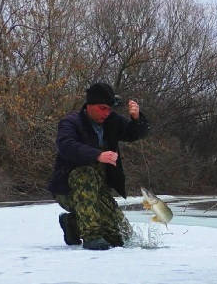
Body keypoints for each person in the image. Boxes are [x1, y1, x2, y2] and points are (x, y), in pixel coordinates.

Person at [47, 82, 149, 250]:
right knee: (85, 173)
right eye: (102, 108)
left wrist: (137, 118)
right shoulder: (70, 122)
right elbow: (66, 145)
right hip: (69, 191)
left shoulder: (112, 121)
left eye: (109, 109)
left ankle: (72, 223)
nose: (107, 113)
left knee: (120, 238)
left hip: (99, 190)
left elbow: (134, 134)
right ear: (89, 105)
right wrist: (97, 155)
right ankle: (91, 236)